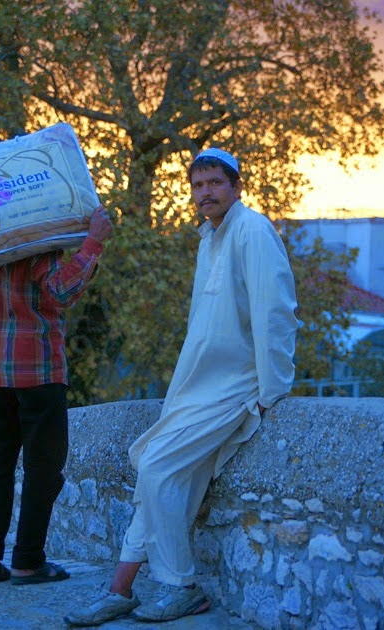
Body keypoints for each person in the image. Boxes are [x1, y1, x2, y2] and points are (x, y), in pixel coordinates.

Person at [64, 148, 299, 626]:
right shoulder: (207, 239)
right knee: (163, 481)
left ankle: (181, 587)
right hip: (197, 386)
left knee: (154, 467)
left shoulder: (253, 231)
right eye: (198, 185)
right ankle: (120, 589)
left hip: (236, 388)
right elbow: (203, 325)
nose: (205, 192)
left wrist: (272, 390)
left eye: (215, 182)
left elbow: (275, 313)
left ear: (236, 186)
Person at [0, 204, 113, 588]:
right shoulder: (37, 243)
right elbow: (61, 290)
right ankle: (28, 562)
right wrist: (93, 241)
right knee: (42, 472)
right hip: (40, 373)